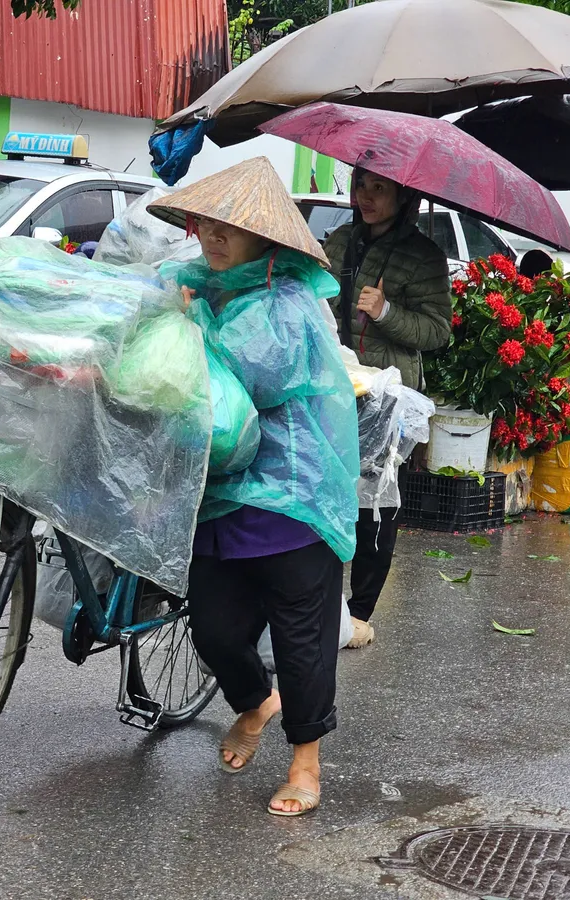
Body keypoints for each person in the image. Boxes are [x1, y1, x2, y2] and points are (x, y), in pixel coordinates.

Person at [147, 157, 360, 817]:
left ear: (265, 239)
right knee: (212, 630)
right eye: (206, 223)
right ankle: (254, 701)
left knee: (301, 639)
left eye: (229, 228)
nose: (212, 237)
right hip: (221, 494)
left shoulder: (288, 302)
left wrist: (186, 329)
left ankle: (306, 764)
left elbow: (254, 377)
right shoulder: (196, 285)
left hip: (292, 495)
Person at [322, 169, 453, 650]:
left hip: (385, 397)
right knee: (327, 491)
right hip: (333, 382)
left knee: (374, 503)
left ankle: (359, 612)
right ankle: (322, 602)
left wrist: (386, 313)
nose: (367, 197)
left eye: (379, 188)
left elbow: (438, 331)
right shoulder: (339, 240)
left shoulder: (424, 256)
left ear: (403, 194)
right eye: (361, 186)